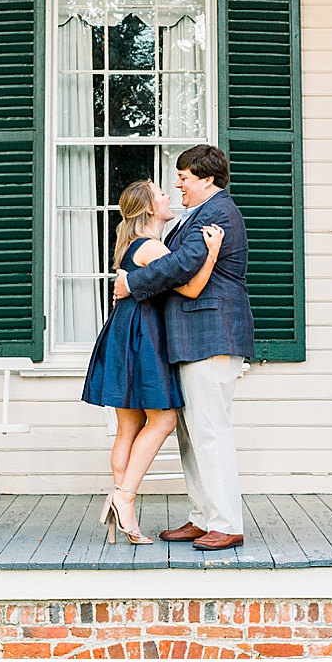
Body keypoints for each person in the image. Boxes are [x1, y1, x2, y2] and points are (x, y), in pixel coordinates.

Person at [113, 145, 253, 551]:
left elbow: (182, 265)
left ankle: (226, 523)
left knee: (210, 432)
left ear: (207, 179)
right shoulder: (197, 216)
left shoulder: (218, 212)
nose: (178, 184)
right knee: (192, 434)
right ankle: (203, 517)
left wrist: (131, 283)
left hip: (212, 333)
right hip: (192, 338)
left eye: (185, 178)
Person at [81, 179, 224, 545]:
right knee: (163, 418)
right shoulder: (151, 248)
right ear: (149, 208)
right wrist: (211, 252)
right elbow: (191, 287)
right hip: (142, 336)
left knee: (129, 426)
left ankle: (118, 497)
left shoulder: (132, 246)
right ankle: (124, 497)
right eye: (161, 193)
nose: (168, 196)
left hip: (123, 332)